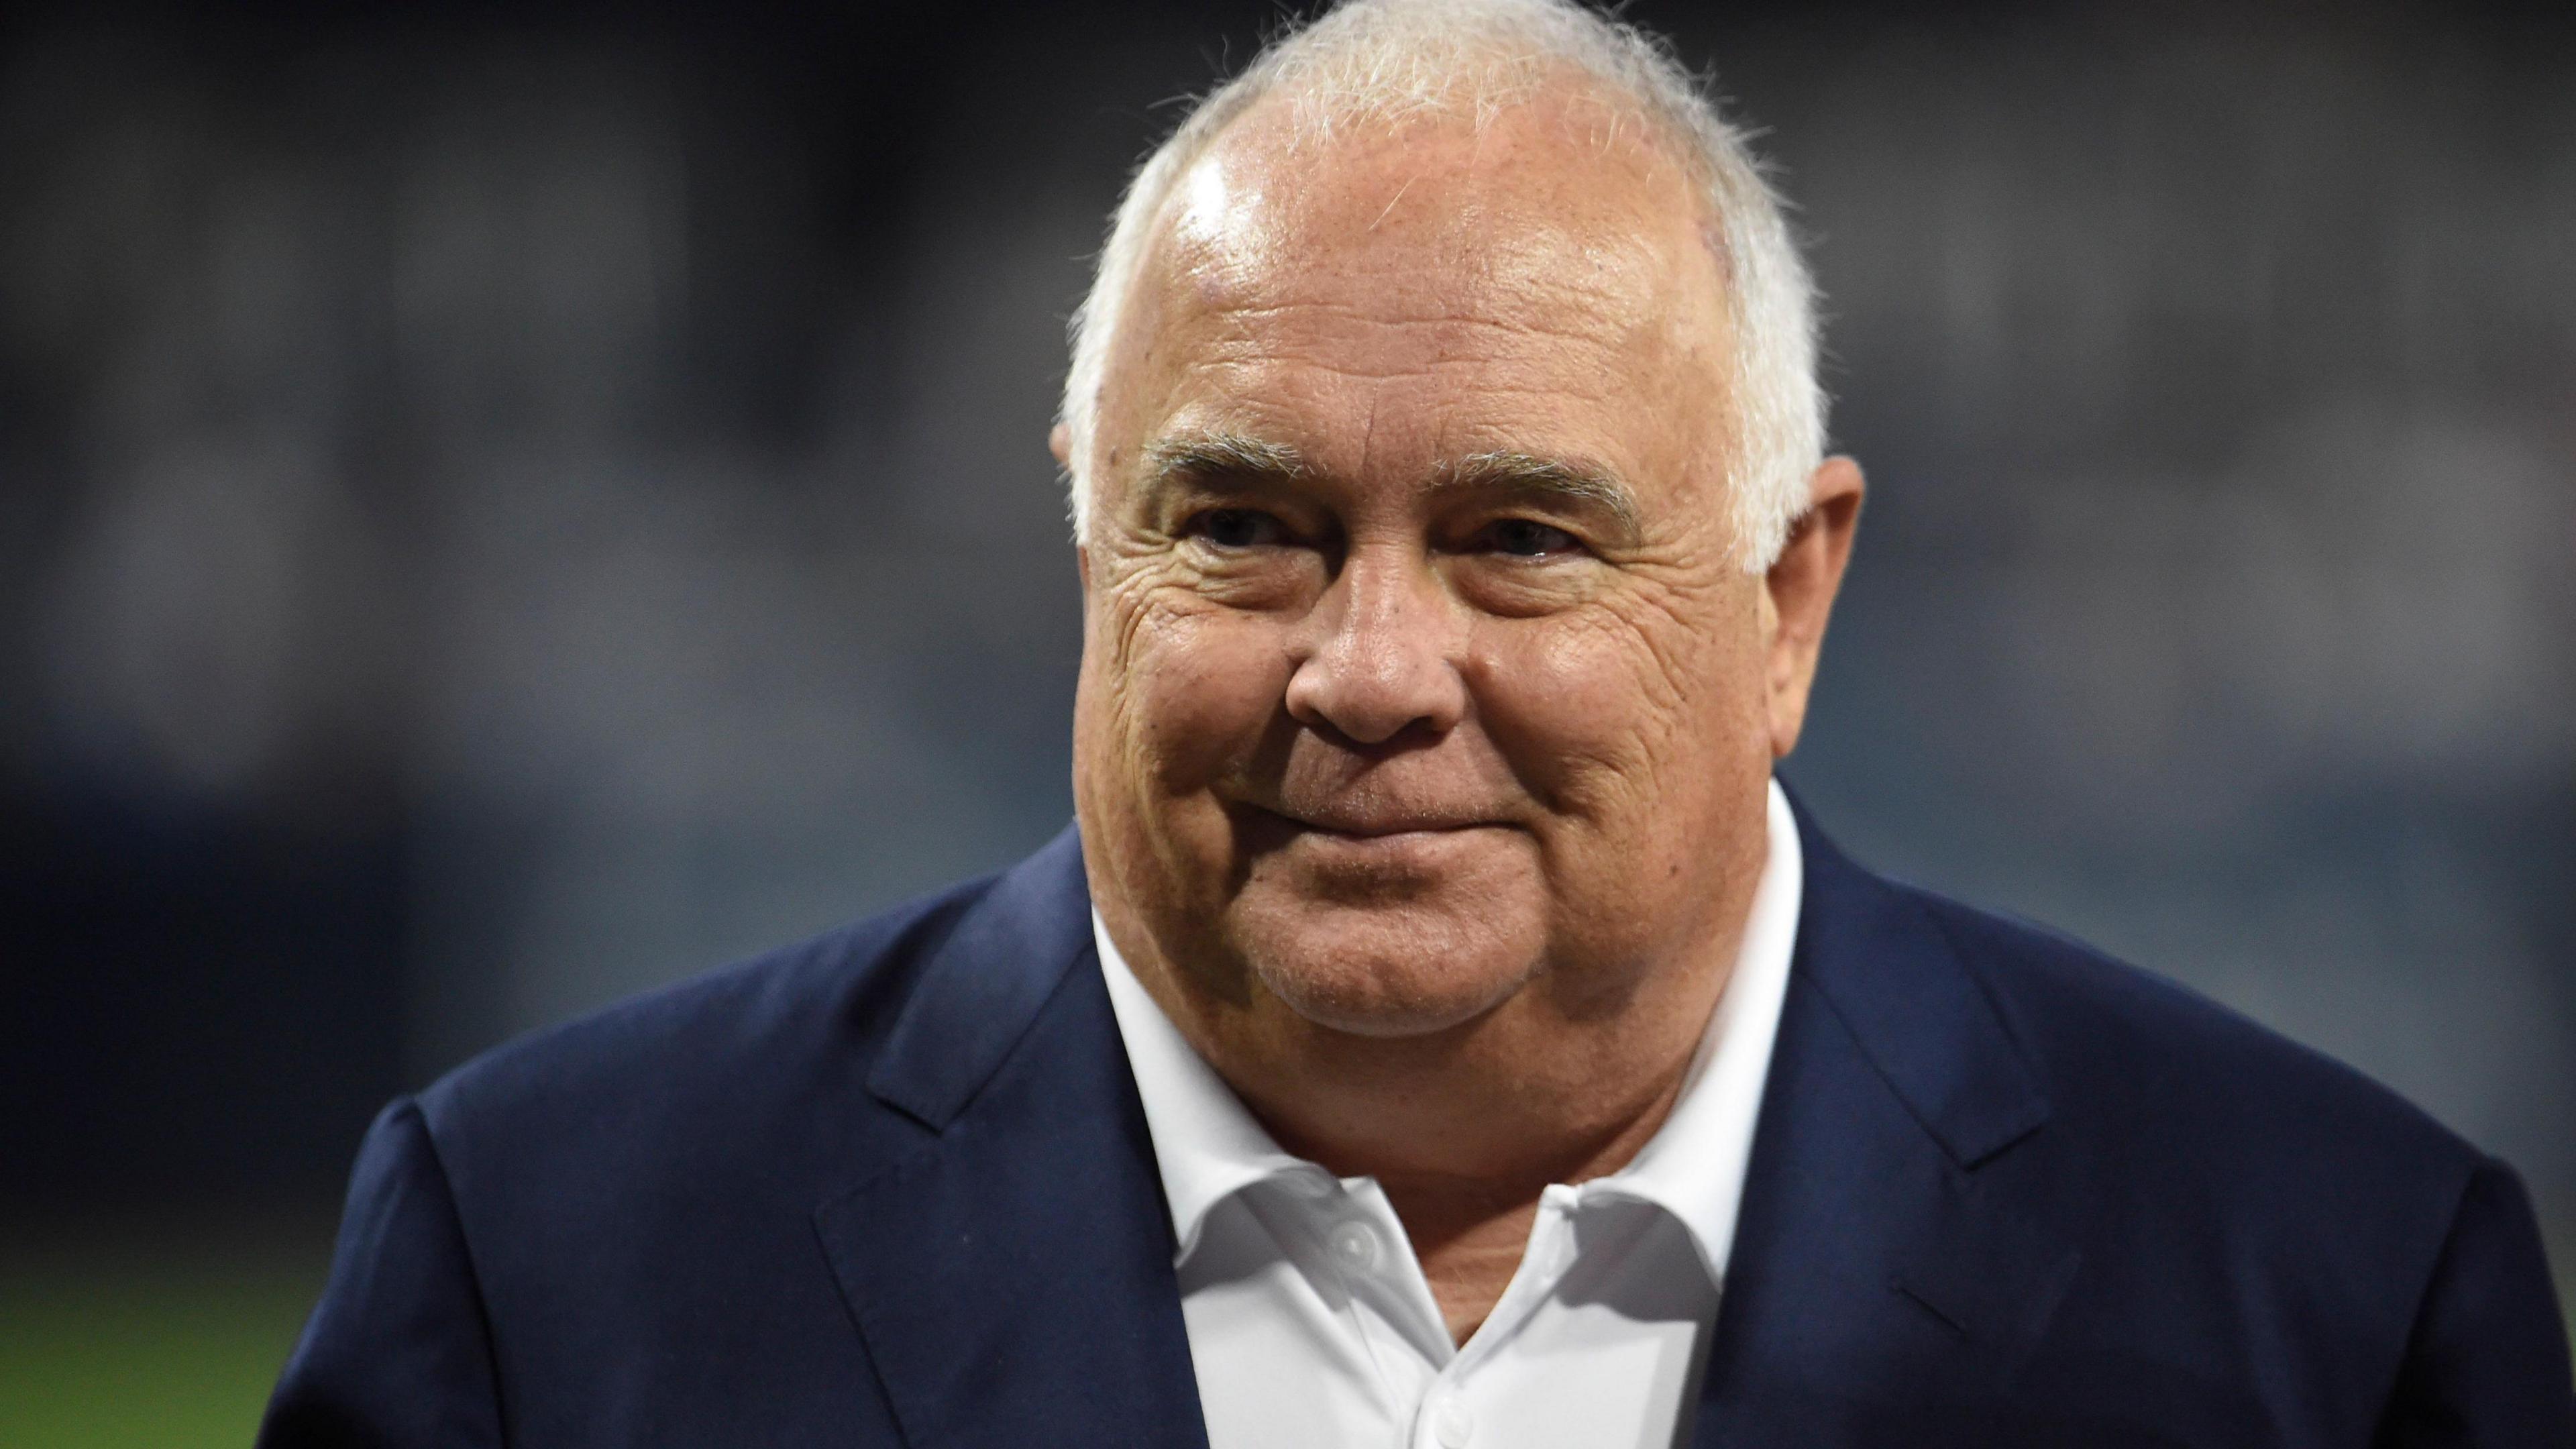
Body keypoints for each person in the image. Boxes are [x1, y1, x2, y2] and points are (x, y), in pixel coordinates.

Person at [260, 1, 2574, 1444]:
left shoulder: (2330, 1303)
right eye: (1246, 525)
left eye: (1525, 542)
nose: (1369, 673)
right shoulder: (546, 1279)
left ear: (1789, 606)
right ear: (1092, 546)